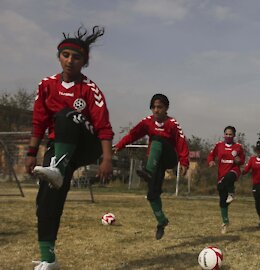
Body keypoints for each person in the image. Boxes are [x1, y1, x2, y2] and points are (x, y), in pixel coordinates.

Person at [25, 26, 113, 269]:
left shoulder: (90, 90)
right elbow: (39, 122)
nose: (70, 61)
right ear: (59, 57)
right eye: (66, 55)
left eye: (76, 57)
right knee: (46, 201)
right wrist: (32, 153)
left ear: (84, 61)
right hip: (58, 147)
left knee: (65, 116)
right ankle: (48, 259)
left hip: (86, 144)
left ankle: (58, 168)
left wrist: (107, 158)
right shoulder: (46, 85)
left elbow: (103, 127)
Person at [114, 94, 189, 240]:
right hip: (156, 162)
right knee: (152, 195)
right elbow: (133, 134)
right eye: (153, 107)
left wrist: (184, 162)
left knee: (157, 138)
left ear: (166, 108)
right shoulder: (147, 122)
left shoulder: (172, 124)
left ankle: (147, 172)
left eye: (159, 107)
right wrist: (120, 145)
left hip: (169, 157)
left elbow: (181, 142)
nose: (156, 110)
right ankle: (161, 222)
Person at [207, 126, 245, 234]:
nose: (228, 136)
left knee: (230, 177)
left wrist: (239, 161)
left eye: (230, 134)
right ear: (224, 135)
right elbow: (211, 155)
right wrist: (210, 161)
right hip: (221, 174)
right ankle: (225, 222)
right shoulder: (218, 145)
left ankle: (232, 193)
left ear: (234, 135)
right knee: (222, 200)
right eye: (226, 134)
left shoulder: (238, 147)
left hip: (234, 171)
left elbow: (242, 160)